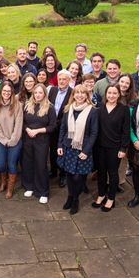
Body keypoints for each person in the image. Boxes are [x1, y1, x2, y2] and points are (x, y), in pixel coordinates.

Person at [57, 85, 98, 215]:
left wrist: (86, 151)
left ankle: (75, 199)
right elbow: (63, 129)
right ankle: (70, 196)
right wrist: (59, 145)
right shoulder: (68, 109)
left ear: (87, 95)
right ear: (73, 95)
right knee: (69, 174)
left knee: (78, 177)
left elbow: (94, 133)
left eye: (82, 93)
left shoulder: (92, 111)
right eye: (77, 93)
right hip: (68, 146)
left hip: (83, 148)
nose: (79, 95)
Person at [92, 84, 129, 212]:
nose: (111, 96)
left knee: (112, 173)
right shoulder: (99, 108)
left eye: (114, 93)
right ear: (105, 94)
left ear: (119, 94)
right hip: (100, 147)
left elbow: (125, 131)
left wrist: (123, 148)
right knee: (101, 172)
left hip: (115, 148)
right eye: (109, 93)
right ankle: (101, 194)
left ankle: (111, 198)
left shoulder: (123, 109)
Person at [22, 83, 56, 204]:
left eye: (40, 92)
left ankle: (43, 192)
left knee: (41, 165)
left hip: (42, 140)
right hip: (28, 139)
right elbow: (23, 122)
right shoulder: (27, 105)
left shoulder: (50, 108)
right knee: (28, 163)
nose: (37, 95)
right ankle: (29, 186)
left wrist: (37, 131)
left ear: (44, 94)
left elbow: (52, 126)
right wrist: (28, 130)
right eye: (36, 92)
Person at [0, 81, 23, 198]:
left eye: (9, 91)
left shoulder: (17, 105)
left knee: (11, 164)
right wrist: (4, 140)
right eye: (4, 91)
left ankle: (10, 189)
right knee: (1, 164)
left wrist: (12, 140)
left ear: (12, 92)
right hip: (1, 140)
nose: (6, 93)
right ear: (1, 91)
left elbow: (18, 125)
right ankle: (3, 182)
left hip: (15, 140)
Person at [48, 70, 73, 187]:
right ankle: (53, 171)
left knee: (62, 151)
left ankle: (63, 175)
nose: (62, 81)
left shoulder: (72, 93)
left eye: (64, 79)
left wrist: (57, 123)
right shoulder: (52, 90)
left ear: (69, 80)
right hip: (52, 127)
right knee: (52, 151)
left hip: (64, 127)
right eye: (60, 79)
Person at [127, 83, 139, 208]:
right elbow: (129, 126)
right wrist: (135, 141)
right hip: (134, 144)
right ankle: (137, 196)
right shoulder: (134, 105)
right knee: (135, 170)